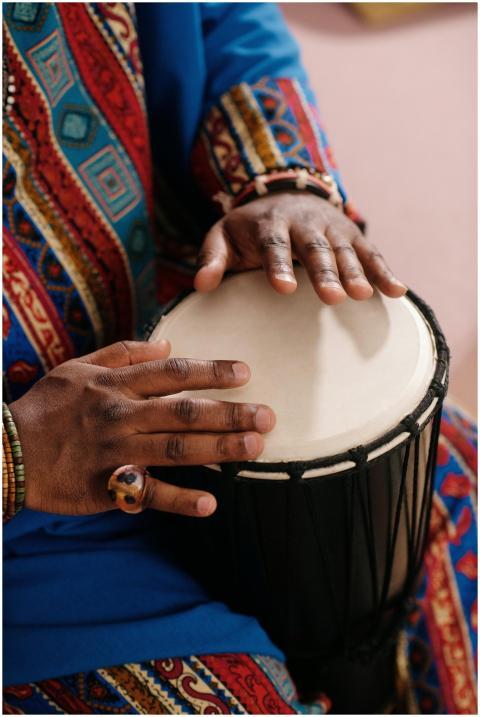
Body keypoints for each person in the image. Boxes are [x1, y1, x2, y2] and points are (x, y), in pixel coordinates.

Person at [3, 3, 476, 714]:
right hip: (27, 554)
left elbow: (224, 17)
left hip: (173, 314)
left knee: (457, 485)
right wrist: (17, 454)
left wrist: (284, 183)